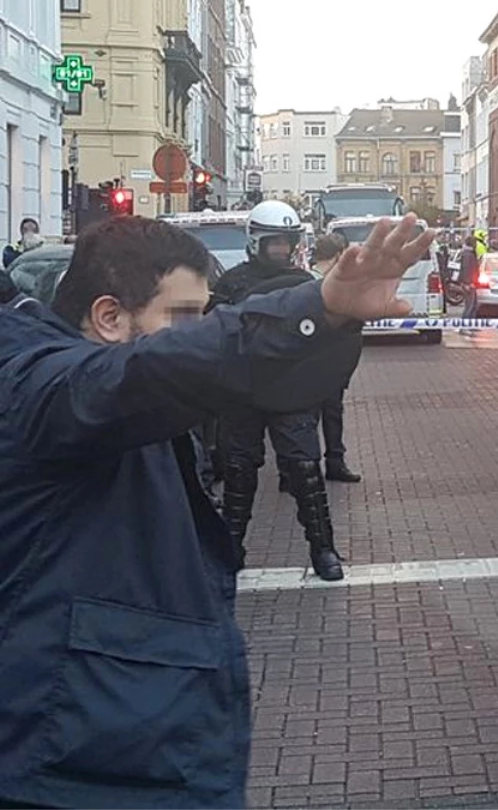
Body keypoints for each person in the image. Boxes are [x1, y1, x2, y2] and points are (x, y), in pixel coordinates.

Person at [0, 213, 434, 809]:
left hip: (114, 740)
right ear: (109, 317)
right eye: (183, 319)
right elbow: (151, 371)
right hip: (77, 761)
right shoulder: (46, 384)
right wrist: (318, 305)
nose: (197, 333)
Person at [209, 201, 344, 580]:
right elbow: (216, 334)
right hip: (244, 390)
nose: (281, 250)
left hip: (291, 391)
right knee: (238, 472)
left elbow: (324, 340)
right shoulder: (231, 284)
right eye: (275, 243)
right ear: (257, 241)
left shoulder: (305, 285)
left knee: (305, 469)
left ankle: (323, 549)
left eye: (287, 242)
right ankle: (230, 549)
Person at [311, 234, 363, 482]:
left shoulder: (307, 281)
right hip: (318, 362)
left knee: (324, 414)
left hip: (322, 364)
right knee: (319, 416)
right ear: (339, 254)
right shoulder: (312, 283)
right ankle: (321, 465)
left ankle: (327, 463)